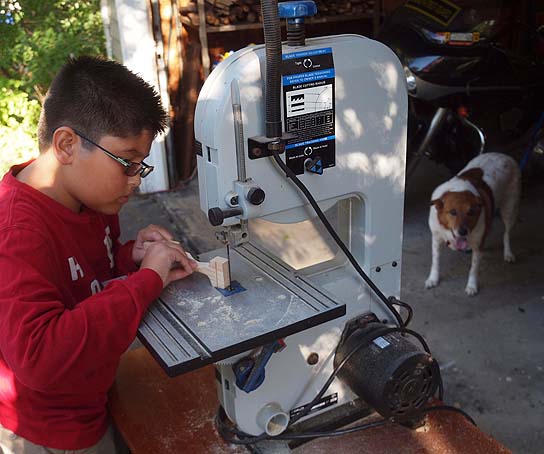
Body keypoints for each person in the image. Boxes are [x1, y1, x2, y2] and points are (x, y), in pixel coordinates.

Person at [0, 56, 197, 453]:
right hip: (52, 431)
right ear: (67, 144)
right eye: (127, 162)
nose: (136, 180)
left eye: (142, 165)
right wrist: (147, 281)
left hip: (92, 396)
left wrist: (130, 259)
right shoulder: (16, 232)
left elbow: (86, 279)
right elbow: (39, 359)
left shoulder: (89, 202)